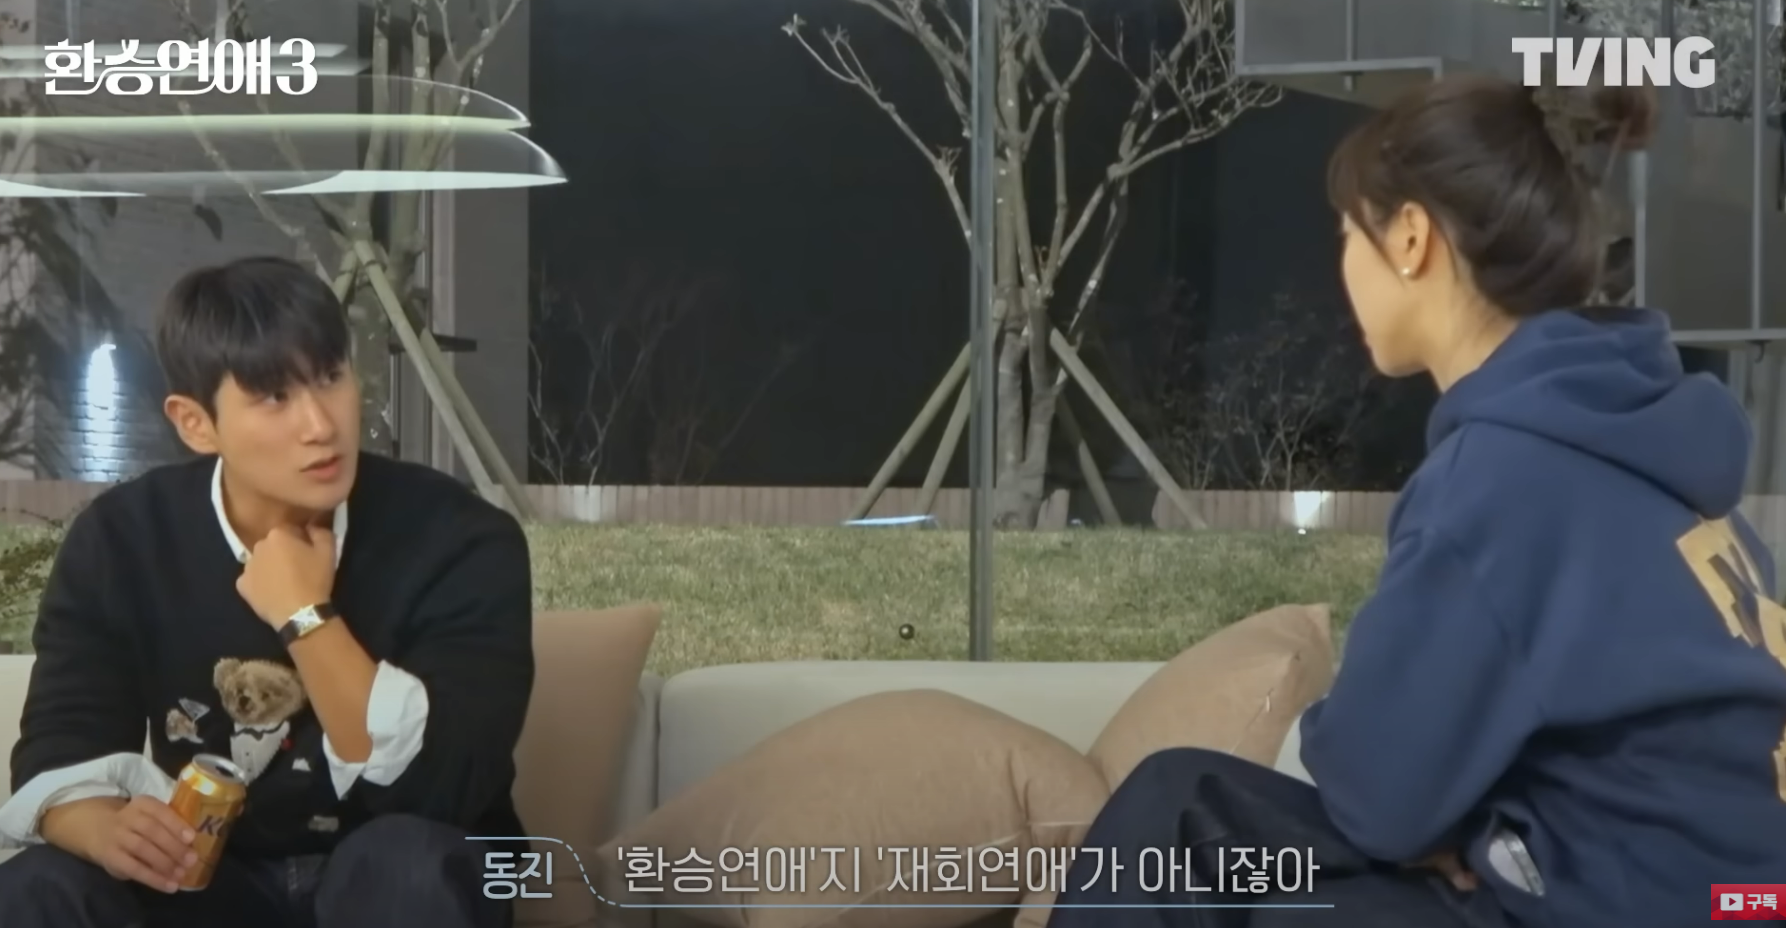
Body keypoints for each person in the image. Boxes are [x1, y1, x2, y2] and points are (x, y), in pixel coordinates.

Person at [1045, 75, 1786, 928]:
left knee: (1179, 817)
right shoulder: (1652, 458)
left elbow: (1374, 793)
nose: (1342, 266)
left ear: (1409, 237)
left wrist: (1447, 822)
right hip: (1738, 903)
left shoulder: (1505, 474)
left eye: (1346, 234)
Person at [0, 256, 536, 928]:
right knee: (37, 886)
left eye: (330, 376)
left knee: (407, 866)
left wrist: (304, 614)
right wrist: (100, 827)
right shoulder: (121, 539)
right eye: (274, 396)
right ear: (196, 423)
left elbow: (446, 787)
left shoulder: (461, 538)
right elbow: (62, 743)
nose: (320, 424)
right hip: (210, 879)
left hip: (404, 868)